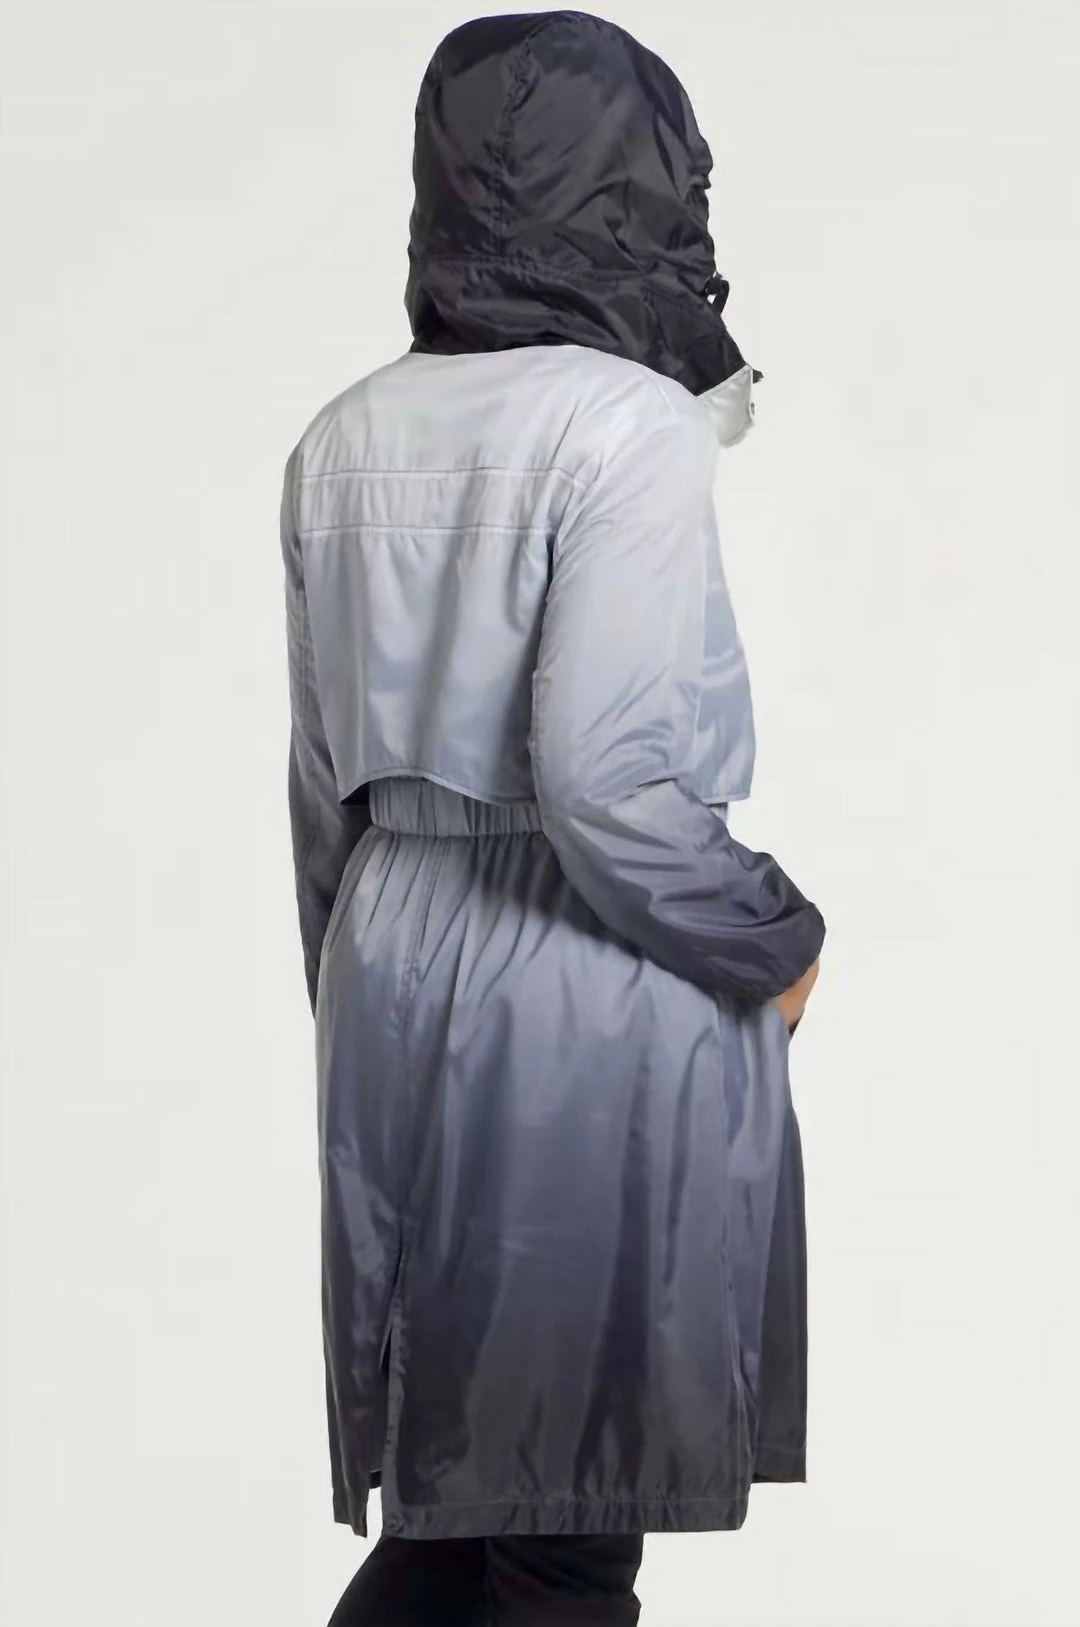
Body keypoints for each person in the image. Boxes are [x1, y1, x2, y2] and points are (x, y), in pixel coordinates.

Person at [280, 11, 825, 1623]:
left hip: (389, 948)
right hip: (578, 964)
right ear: (644, 181)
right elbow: (603, 778)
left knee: (462, 1498)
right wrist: (774, 937)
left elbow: (320, 778)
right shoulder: (628, 424)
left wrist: (351, 992)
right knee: (571, 1507)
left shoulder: (342, 432)